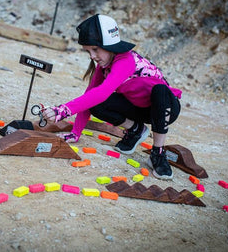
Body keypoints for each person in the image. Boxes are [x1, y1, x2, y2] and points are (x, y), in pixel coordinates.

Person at [43, 14, 182, 180]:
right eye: (88, 51)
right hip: (139, 109)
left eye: (95, 49)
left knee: (160, 90)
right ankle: (136, 130)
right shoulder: (104, 67)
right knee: (93, 101)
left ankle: (158, 152)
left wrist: (64, 110)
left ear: (110, 46)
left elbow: (103, 92)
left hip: (165, 109)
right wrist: (75, 133)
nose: (92, 56)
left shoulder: (126, 60)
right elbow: (91, 94)